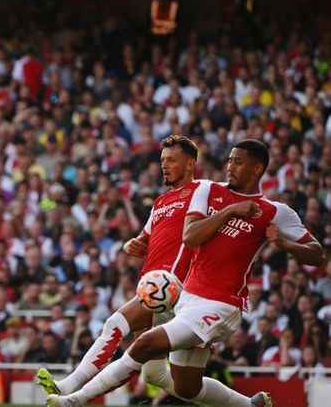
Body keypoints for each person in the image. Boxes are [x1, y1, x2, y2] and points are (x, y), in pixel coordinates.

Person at [47, 139, 326, 407]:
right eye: (229, 161)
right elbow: (190, 236)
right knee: (186, 387)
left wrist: (284, 243)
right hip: (188, 300)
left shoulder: (275, 211)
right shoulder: (207, 190)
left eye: (238, 163)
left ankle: (74, 399)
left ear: (257, 168)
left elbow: (318, 255)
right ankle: (249, 405)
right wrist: (230, 211)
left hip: (222, 304)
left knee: (144, 343)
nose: (230, 167)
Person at [38, 135, 201, 398]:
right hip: (150, 281)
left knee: (115, 324)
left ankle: (69, 387)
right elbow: (145, 239)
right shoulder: (160, 202)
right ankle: (244, 404)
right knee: (155, 374)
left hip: (173, 285)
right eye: (162, 160)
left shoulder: (203, 192)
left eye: (171, 160)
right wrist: (131, 245)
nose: (164, 165)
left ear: (191, 163)